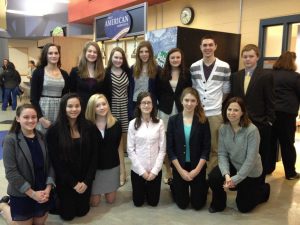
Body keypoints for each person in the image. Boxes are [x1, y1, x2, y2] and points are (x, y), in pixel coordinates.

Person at [208, 97, 270, 213]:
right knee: (214, 177)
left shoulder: (252, 131)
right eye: (229, 109)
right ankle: (218, 204)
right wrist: (226, 175)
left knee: (243, 207)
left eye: (236, 110)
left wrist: (235, 179)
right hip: (234, 164)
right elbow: (222, 154)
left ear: (242, 112)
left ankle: (263, 189)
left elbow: (250, 160)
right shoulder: (223, 128)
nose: (231, 113)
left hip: (250, 171)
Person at [46, 93, 97, 221]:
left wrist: (87, 181)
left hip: (84, 179)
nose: (74, 109)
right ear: (63, 108)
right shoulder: (54, 130)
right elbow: (56, 162)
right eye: (70, 106)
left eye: (77, 106)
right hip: (65, 180)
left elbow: (95, 156)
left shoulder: (89, 127)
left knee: (82, 212)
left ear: (81, 107)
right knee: (67, 215)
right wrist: (73, 183)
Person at [1, 104, 55, 225]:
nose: (30, 120)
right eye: (26, 117)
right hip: (22, 191)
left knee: (39, 223)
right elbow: (11, 173)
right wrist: (33, 194)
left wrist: (48, 188)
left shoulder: (42, 136)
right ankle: (4, 206)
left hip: (42, 189)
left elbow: (50, 165)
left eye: (33, 117)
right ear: (18, 118)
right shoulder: (10, 140)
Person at [230, 44, 275, 180]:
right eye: (245, 57)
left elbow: (270, 100)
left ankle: (258, 184)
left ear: (257, 57)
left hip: (259, 123)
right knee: (241, 153)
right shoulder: (236, 76)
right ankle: (241, 180)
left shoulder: (266, 76)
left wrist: (270, 121)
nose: (247, 59)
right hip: (240, 122)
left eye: (251, 56)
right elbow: (233, 99)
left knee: (257, 155)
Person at [190, 35, 231, 174]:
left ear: (215, 47)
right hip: (198, 113)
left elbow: (226, 91)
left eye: (210, 45)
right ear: (200, 47)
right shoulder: (194, 67)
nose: (207, 48)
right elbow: (194, 89)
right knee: (197, 145)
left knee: (215, 147)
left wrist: (216, 102)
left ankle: (210, 177)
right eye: (205, 45)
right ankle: (199, 175)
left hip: (215, 114)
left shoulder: (224, 67)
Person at [167, 87, 210, 210]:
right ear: (181, 101)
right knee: (182, 204)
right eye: (186, 100)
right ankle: (173, 184)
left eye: (193, 100)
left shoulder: (203, 121)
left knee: (198, 205)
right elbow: (170, 149)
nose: (189, 104)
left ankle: (203, 185)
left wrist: (196, 171)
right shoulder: (173, 120)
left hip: (197, 166)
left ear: (197, 102)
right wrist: (180, 171)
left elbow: (206, 148)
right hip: (180, 166)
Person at [156, 48, 192, 184]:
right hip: (165, 111)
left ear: (181, 59)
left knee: (179, 141)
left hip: (181, 111)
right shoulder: (162, 73)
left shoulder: (186, 74)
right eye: (172, 58)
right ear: (168, 59)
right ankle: (168, 171)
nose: (175, 60)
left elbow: (190, 91)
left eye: (178, 57)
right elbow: (158, 91)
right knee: (165, 142)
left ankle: (179, 169)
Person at [127, 91, 166, 207]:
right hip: (138, 171)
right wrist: (142, 172)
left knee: (153, 202)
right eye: (143, 103)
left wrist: (155, 171)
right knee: (138, 203)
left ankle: (149, 188)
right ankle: (141, 188)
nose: (146, 105)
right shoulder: (132, 124)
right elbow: (130, 150)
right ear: (139, 105)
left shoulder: (160, 123)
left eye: (149, 103)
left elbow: (162, 150)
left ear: (153, 105)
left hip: (155, 170)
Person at [85, 94, 122, 206]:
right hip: (94, 169)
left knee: (111, 200)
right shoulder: (87, 126)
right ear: (92, 108)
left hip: (111, 166)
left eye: (104, 104)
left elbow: (118, 147)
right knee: (94, 203)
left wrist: (122, 172)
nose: (102, 107)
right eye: (97, 105)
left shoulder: (116, 124)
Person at [269, 51, 300, 179]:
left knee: (270, 143)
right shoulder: (295, 77)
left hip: (270, 113)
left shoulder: (270, 75)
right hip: (287, 114)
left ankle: (267, 168)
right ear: (292, 61)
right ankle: (290, 173)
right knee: (287, 144)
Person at [104, 47, 130, 186]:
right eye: (115, 57)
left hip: (125, 108)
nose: (118, 60)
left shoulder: (128, 72)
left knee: (123, 143)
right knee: (113, 142)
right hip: (112, 108)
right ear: (111, 58)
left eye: (120, 58)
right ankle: (116, 172)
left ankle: (123, 171)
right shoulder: (106, 73)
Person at [30, 43, 70, 133]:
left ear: (59, 55)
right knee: (43, 139)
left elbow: (67, 96)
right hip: (43, 110)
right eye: (50, 53)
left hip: (60, 111)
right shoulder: (38, 72)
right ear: (45, 55)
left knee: (59, 138)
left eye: (56, 53)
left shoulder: (64, 74)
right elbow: (33, 98)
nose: (54, 55)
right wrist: (40, 118)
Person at [128, 41, 161, 120]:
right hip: (135, 103)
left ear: (150, 53)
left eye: (146, 51)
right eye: (141, 52)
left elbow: (159, 90)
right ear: (138, 54)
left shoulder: (157, 69)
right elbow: (130, 88)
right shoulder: (133, 68)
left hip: (149, 104)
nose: (144, 54)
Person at [70, 41, 105, 111]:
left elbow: (105, 94)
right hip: (79, 110)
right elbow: (71, 93)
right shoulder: (75, 71)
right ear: (85, 53)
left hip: (97, 110)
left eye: (95, 52)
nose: (92, 54)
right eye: (90, 51)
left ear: (98, 55)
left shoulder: (103, 73)